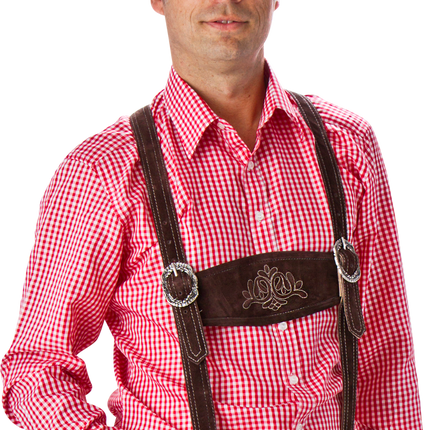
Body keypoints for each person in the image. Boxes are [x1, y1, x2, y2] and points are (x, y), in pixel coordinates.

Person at [0, 0, 425, 429]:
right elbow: (38, 370)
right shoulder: (103, 170)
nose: (225, 0)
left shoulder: (347, 143)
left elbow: (386, 355)